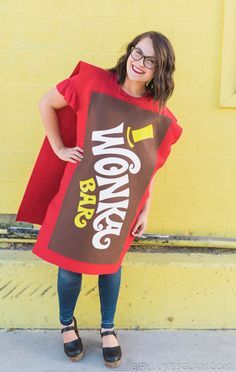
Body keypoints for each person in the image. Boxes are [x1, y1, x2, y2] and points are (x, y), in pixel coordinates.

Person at [16, 31, 183, 368]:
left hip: (119, 199)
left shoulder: (158, 115)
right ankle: (67, 325)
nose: (140, 63)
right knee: (69, 264)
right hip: (79, 193)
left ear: (160, 70)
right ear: (129, 52)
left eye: (151, 61)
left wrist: (146, 208)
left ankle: (108, 329)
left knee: (110, 266)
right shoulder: (91, 83)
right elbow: (46, 102)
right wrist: (59, 148)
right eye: (138, 53)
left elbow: (149, 167)